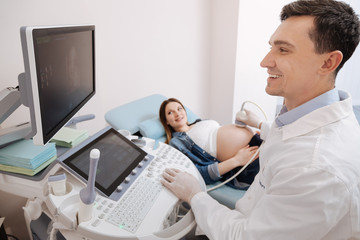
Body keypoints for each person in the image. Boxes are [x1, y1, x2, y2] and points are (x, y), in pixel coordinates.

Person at [161, 0, 360, 239]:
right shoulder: (302, 114)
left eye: (283, 49)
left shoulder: (314, 169)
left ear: (328, 62)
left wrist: (195, 195)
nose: (265, 62)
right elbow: (286, 139)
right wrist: (260, 125)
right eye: (271, 47)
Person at [159, 98, 262, 189]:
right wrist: (237, 160)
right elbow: (197, 173)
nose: (177, 114)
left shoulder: (200, 122)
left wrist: (251, 133)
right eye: (170, 113)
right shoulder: (177, 142)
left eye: (179, 108)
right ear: (166, 121)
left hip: (257, 141)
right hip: (246, 163)